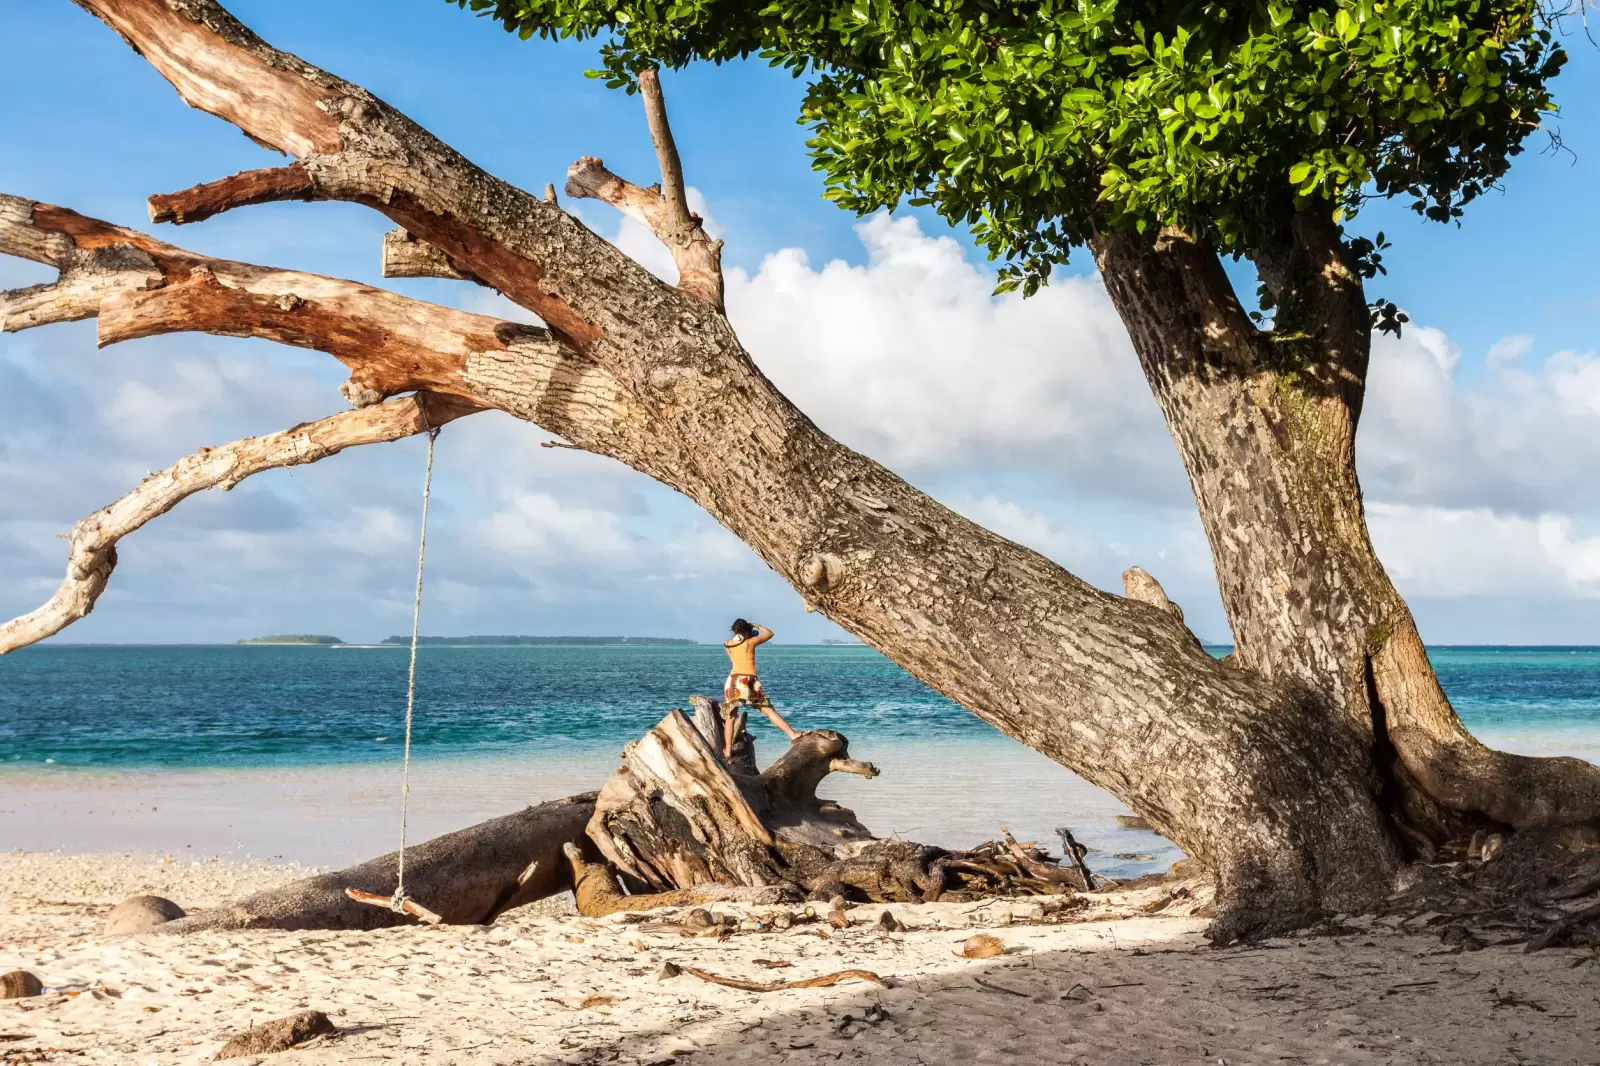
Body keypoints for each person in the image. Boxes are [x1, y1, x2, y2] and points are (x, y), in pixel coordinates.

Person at [722, 618, 801, 758]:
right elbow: (770, 634)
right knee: (767, 710)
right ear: (746, 630)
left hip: (733, 680)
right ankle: (793, 734)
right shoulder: (750, 642)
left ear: (734, 631)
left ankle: (728, 750)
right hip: (748, 680)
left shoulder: (727, 644)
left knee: (731, 716)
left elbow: (733, 659)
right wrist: (756, 625)